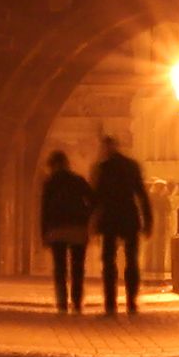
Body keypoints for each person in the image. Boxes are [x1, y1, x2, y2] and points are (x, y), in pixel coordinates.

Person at [89, 134, 152, 316]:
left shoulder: (103, 168)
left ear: (106, 148)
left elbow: (96, 197)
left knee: (109, 261)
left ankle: (110, 303)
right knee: (132, 260)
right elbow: (141, 194)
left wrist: (92, 221)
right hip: (129, 217)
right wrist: (147, 220)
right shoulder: (131, 166)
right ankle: (131, 301)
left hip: (110, 218)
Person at [37, 149, 94, 314]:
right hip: (78, 228)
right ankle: (76, 302)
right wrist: (86, 218)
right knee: (77, 267)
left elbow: (44, 210)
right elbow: (92, 200)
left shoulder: (50, 183)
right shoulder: (78, 180)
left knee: (60, 268)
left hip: (57, 229)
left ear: (54, 165)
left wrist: (44, 233)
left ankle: (62, 302)